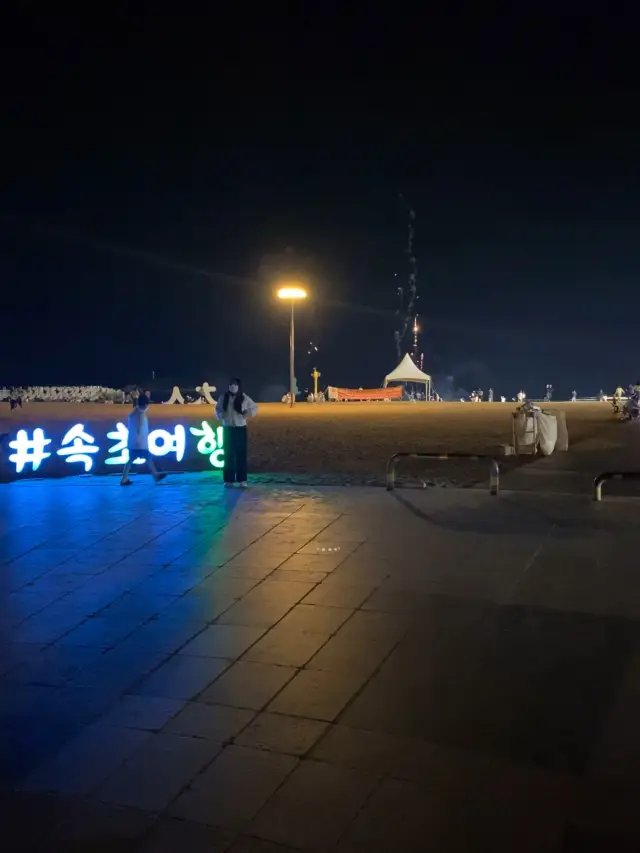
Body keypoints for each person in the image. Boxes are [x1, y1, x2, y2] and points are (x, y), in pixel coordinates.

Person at [215, 378, 258, 487]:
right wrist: (221, 415)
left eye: (235, 385)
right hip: (228, 428)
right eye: (231, 385)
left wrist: (246, 414)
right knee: (228, 454)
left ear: (238, 386)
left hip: (240, 428)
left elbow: (254, 408)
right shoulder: (223, 397)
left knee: (241, 454)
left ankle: (242, 480)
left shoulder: (244, 397)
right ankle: (228, 480)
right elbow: (218, 409)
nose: (233, 387)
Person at [121, 394, 166, 486]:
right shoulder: (140, 414)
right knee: (147, 458)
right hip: (140, 443)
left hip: (133, 442)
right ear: (145, 404)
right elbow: (139, 428)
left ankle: (124, 479)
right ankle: (155, 475)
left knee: (131, 460)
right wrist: (138, 441)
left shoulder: (134, 413)